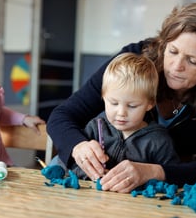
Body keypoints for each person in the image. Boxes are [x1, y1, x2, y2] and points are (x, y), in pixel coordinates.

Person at [47, 2, 196, 193]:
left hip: (179, 175)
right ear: (163, 44)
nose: (177, 67)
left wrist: (153, 171)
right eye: (173, 51)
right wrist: (78, 146)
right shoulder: (133, 61)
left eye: (193, 61)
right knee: (59, 164)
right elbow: (62, 115)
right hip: (111, 169)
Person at [66, 52, 180, 180]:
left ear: (150, 104)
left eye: (132, 106)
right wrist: (94, 174)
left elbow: (172, 178)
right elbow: (73, 167)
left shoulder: (159, 141)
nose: (121, 113)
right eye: (113, 103)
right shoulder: (95, 128)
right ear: (103, 97)